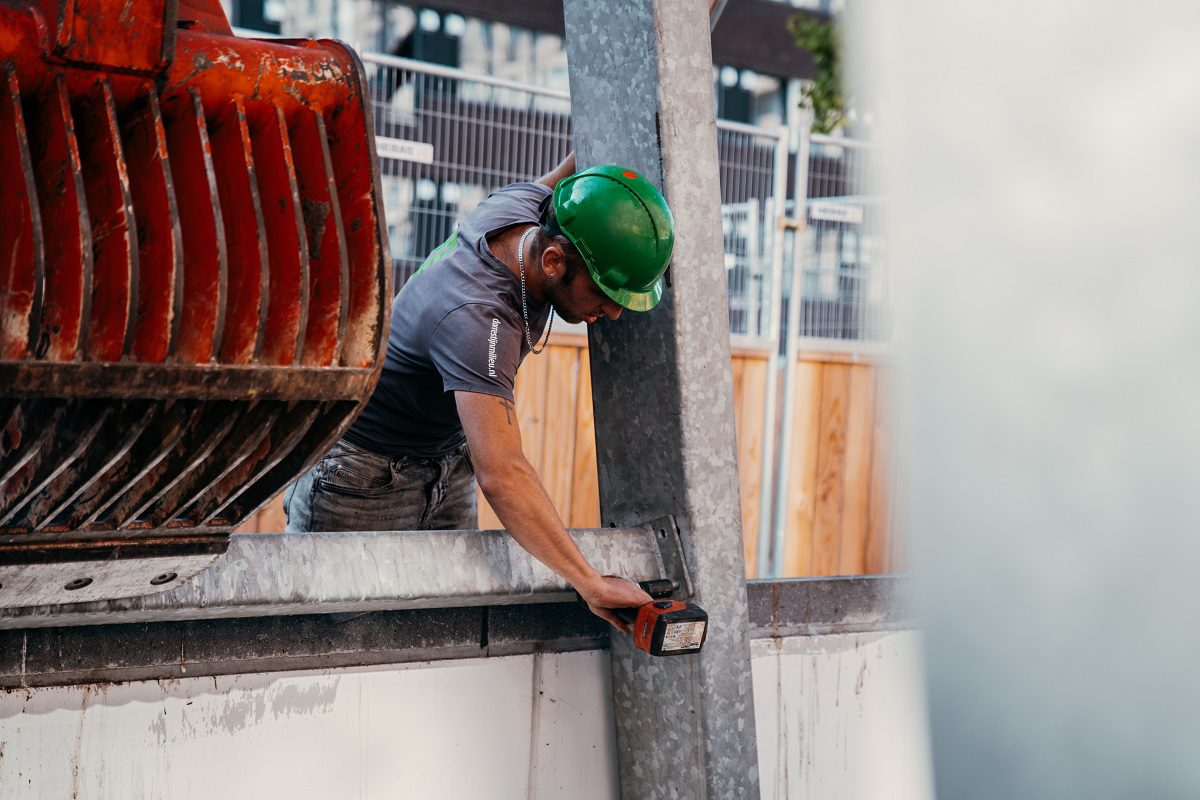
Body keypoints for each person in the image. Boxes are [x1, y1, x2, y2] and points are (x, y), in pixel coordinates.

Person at [284, 154, 675, 632]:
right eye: (604, 295)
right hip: (363, 481)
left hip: (445, 460)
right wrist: (590, 583)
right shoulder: (479, 320)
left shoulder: (529, 208)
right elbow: (503, 474)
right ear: (553, 262)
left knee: (438, 636)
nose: (613, 314)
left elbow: (580, 164)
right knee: (339, 647)